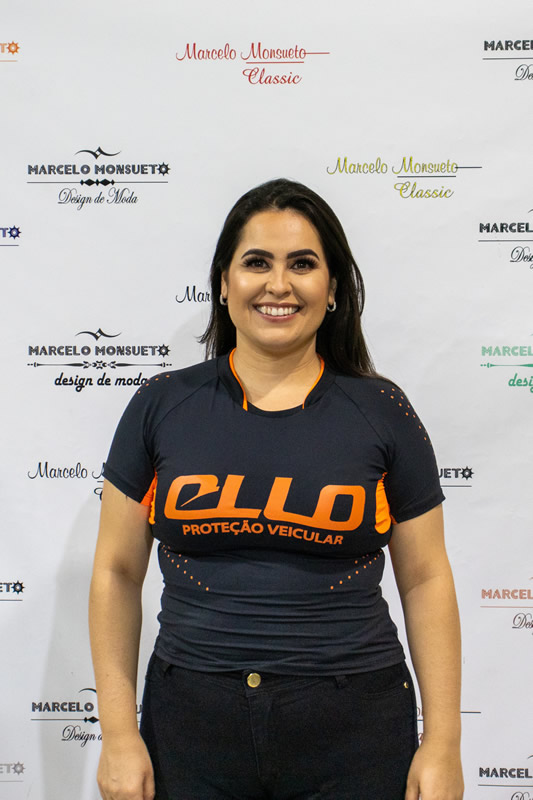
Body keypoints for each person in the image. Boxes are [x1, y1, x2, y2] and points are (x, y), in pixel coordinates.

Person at [89, 178, 464, 800]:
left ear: (333, 288)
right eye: (257, 262)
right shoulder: (161, 406)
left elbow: (426, 578)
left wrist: (444, 743)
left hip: (357, 726)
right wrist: (118, 734)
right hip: (190, 724)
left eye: (303, 264)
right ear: (223, 282)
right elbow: (116, 572)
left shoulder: (383, 411)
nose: (279, 284)